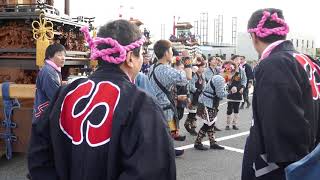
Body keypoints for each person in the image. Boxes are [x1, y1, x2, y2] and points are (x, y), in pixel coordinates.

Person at [28, 20, 176, 180]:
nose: (141, 60)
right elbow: (152, 170)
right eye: (140, 54)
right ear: (129, 58)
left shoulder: (65, 93)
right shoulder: (142, 103)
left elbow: (39, 153)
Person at [242, 8, 320, 180]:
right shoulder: (307, 60)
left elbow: (285, 134)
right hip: (313, 154)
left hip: (285, 169)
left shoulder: (274, 64)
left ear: (254, 37)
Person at [148, 40, 192, 156]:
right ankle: (165, 152)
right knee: (166, 130)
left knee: (163, 130)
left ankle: (169, 148)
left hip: (154, 104)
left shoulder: (153, 67)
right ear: (166, 53)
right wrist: (187, 58)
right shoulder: (165, 69)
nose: (172, 53)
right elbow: (188, 76)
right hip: (164, 106)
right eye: (171, 50)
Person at [194, 60, 237, 150]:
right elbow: (220, 94)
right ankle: (197, 142)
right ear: (228, 71)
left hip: (210, 102)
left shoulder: (220, 78)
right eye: (232, 73)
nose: (232, 75)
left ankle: (212, 142)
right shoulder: (219, 79)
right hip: (207, 102)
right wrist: (230, 92)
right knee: (208, 124)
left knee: (211, 123)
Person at [32, 43, 66, 123]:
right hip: (44, 117)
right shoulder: (48, 72)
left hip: (44, 115)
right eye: (59, 55)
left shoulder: (51, 70)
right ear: (50, 57)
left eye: (64, 55)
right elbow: (55, 95)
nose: (63, 58)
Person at [184, 57, 206, 136]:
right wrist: (197, 90)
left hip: (199, 95)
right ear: (198, 67)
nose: (203, 69)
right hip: (193, 95)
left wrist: (204, 90)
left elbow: (204, 84)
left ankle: (192, 127)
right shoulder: (194, 74)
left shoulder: (202, 75)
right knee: (192, 112)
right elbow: (190, 86)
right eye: (202, 67)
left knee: (195, 112)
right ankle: (188, 125)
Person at [225, 55, 247, 130]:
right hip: (231, 92)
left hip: (238, 92)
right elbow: (225, 79)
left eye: (239, 59)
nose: (239, 60)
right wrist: (230, 87)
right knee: (229, 108)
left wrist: (243, 88)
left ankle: (234, 124)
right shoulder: (228, 68)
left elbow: (244, 80)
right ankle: (228, 124)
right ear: (233, 60)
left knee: (236, 108)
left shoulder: (242, 70)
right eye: (237, 59)